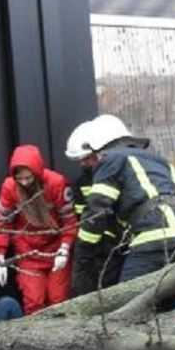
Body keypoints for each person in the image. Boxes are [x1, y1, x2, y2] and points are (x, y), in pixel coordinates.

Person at [75, 115, 175, 294]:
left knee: (127, 300)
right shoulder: (160, 161)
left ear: (100, 147)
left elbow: (96, 211)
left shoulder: (111, 161)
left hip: (154, 238)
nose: (85, 164)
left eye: (89, 157)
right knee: (166, 302)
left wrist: (83, 256)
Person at [0, 145, 78, 314]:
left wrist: (65, 248)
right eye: (20, 178)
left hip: (55, 248)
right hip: (28, 251)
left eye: (28, 177)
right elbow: (3, 223)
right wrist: (0, 257)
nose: (24, 182)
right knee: (33, 302)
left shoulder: (56, 183)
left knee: (58, 300)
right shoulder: (10, 187)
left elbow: (69, 220)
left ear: (37, 173)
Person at [65, 119, 124, 296]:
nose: (82, 164)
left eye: (86, 159)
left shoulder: (118, 173)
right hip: (96, 247)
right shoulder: (81, 183)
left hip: (121, 243)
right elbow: (83, 215)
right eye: (80, 160)